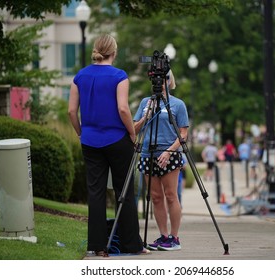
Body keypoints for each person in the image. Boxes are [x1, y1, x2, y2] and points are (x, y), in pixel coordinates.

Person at [68, 34, 147, 257]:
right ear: (114, 52)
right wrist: (132, 132)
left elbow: (71, 111)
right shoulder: (119, 76)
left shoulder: (79, 76)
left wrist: (81, 133)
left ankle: (98, 246)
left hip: (90, 141)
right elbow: (123, 109)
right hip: (117, 140)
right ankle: (132, 245)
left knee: (96, 193)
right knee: (125, 192)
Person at [133, 69, 189, 251]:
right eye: (157, 78)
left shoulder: (178, 104)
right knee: (156, 197)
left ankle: (175, 238)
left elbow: (183, 134)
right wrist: (145, 115)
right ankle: (163, 236)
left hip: (169, 155)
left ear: (169, 80)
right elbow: (134, 129)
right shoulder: (144, 103)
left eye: (164, 78)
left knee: (171, 196)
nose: (160, 81)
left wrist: (169, 151)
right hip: (148, 154)